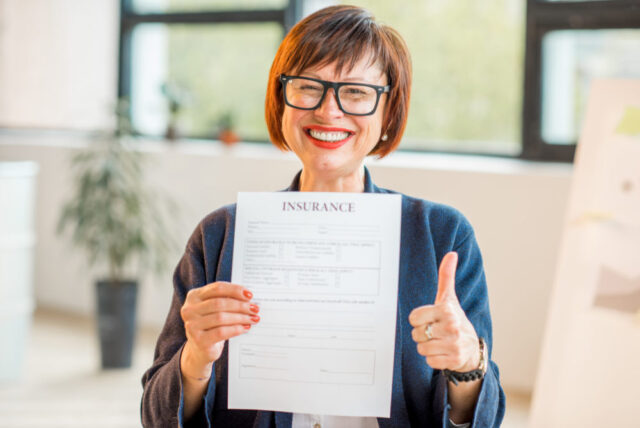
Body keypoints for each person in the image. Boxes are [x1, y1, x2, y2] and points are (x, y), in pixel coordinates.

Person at [141, 5, 505, 428]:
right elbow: (155, 417)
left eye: (355, 92)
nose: (329, 111)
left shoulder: (442, 236)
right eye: (308, 87)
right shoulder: (221, 235)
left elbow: (484, 419)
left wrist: (467, 363)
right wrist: (194, 357)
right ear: (282, 100)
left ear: (388, 112)